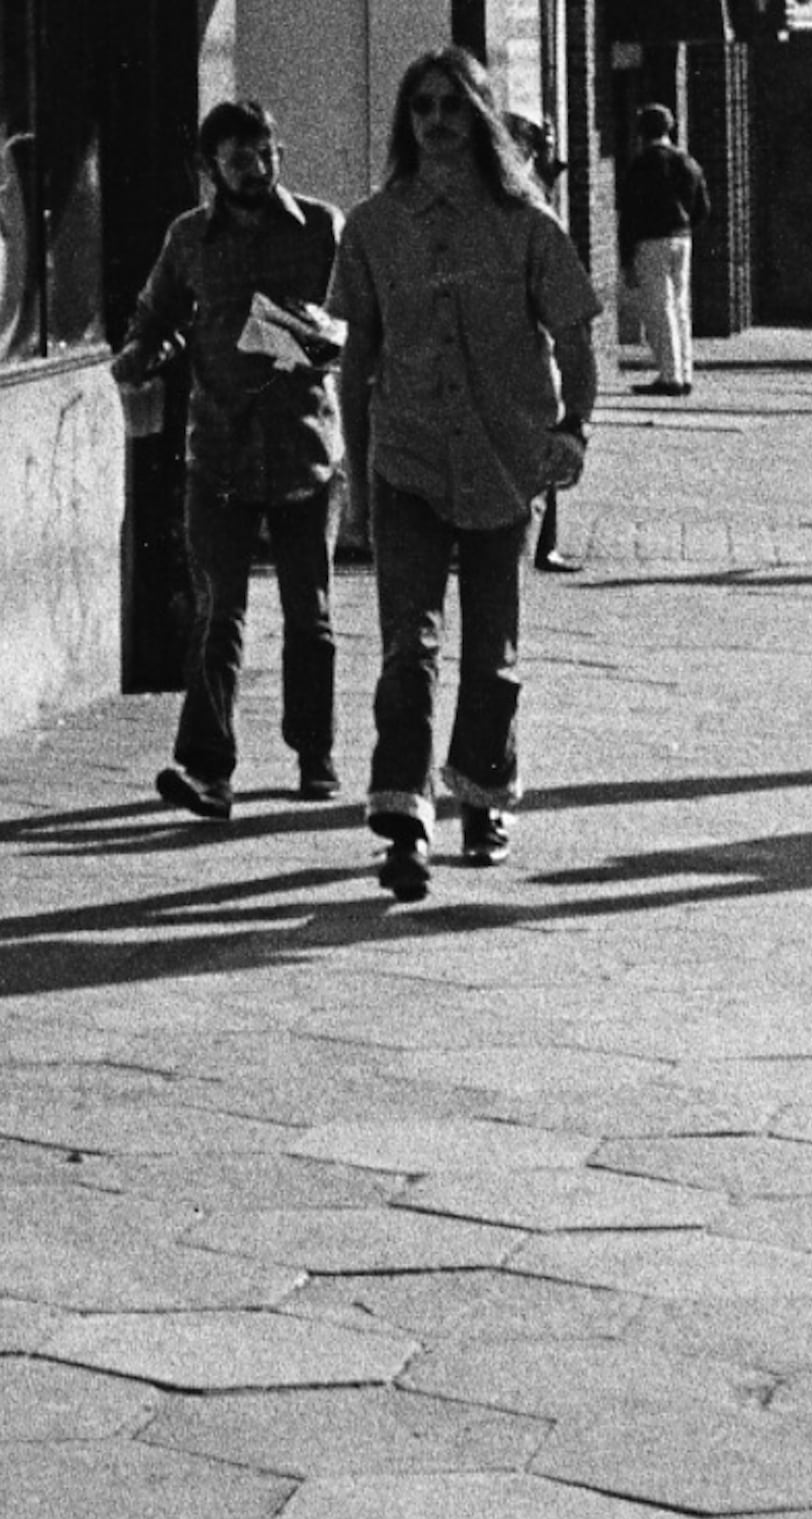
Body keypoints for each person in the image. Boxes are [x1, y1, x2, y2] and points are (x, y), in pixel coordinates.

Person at [335, 46, 601, 899]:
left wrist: (573, 429)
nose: (439, 122)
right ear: (406, 123)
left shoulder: (528, 224)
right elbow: (356, 356)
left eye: (454, 106)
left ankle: (483, 790)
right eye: (423, 108)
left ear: (480, 117)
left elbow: (575, 334)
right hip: (406, 456)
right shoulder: (373, 225)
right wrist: (354, 479)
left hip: (502, 460)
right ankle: (403, 815)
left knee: (493, 653)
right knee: (407, 648)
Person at [115, 97, 344, 821]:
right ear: (210, 166)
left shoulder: (322, 227)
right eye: (240, 157)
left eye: (266, 152)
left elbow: (353, 324)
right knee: (219, 614)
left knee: (310, 616)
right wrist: (138, 354)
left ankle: (316, 752)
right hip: (218, 451)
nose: (257, 167)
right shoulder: (188, 237)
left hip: (306, 447)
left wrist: (307, 338)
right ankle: (209, 769)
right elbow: (154, 314)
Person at [616, 100, 708, 398]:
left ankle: (669, 377)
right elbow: (703, 207)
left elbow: (629, 212)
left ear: (642, 131)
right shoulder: (688, 161)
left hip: (650, 239)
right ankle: (684, 371)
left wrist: (626, 256)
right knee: (681, 306)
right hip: (683, 238)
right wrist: (686, 226)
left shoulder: (642, 164)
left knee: (659, 308)